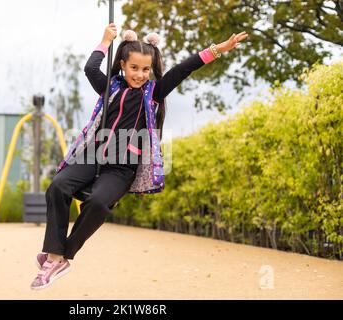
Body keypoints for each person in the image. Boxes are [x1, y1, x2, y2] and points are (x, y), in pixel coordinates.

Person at [31, 23, 248, 290]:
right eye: (134, 68)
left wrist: (219, 49)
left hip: (122, 168)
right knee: (57, 187)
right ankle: (53, 256)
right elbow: (90, 69)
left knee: (99, 203)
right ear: (122, 64)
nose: (140, 74)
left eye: (146, 69)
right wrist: (104, 41)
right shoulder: (109, 86)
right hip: (94, 155)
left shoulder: (153, 93)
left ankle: (62, 255)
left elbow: (184, 68)